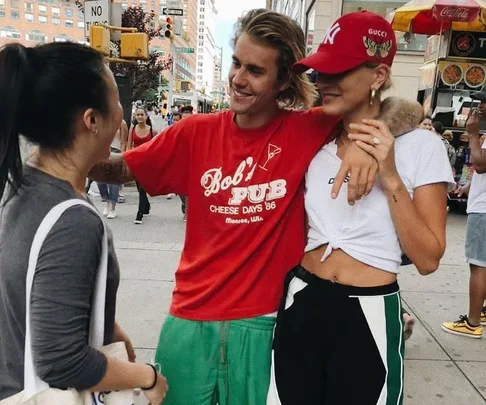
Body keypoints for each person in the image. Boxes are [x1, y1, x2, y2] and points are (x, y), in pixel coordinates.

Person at [88, 9, 410, 405]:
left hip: (266, 324)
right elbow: (123, 170)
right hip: (190, 321)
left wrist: (366, 143)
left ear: (284, 81)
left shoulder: (309, 129)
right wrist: (60, 156)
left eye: (256, 71)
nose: (238, 78)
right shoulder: (194, 133)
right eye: (237, 63)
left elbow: (401, 110)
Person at [267, 11, 455, 405]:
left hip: (368, 313)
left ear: (379, 76)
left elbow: (428, 258)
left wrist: (389, 176)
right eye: (320, 71)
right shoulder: (314, 136)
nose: (324, 82)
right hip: (302, 300)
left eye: (339, 72)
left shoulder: (421, 148)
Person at [0, 42, 167, 403]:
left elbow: (25, 295)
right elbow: (61, 361)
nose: (122, 111)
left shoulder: (20, 186)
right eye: (116, 100)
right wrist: (148, 377)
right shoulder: (73, 220)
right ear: (92, 121)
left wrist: (102, 323)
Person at [442, 91, 486, 338]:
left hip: (484, 211)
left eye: (483, 103)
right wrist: (468, 187)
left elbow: (480, 164)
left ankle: (471, 323)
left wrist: (471, 133)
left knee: (479, 265)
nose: (479, 108)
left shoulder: (479, 130)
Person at [127, 107, 153, 224]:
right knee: (140, 188)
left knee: (142, 188)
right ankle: (146, 205)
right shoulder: (132, 129)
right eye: (138, 115)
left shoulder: (152, 130)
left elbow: (156, 148)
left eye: (142, 114)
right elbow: (128, 146)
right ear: (135, 117)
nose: (140, 117)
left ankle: (140, 213)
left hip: (147, 163)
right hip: (135, 161)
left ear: (146, 116)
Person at [97, 120, 128, 218]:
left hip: (116, 151)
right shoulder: (101, 120)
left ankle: (113, 207)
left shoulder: (121, 123)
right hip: (102, 150)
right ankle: (106, 201)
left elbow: (123, 142)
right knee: (100, 179)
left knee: (114, 180)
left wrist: (122, 156)